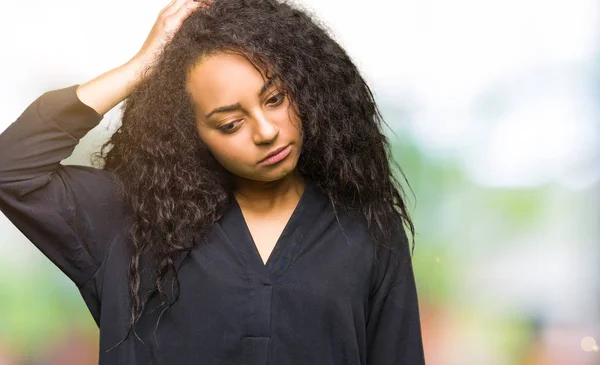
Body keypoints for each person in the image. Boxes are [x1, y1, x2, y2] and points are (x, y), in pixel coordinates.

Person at [0, 0, 425, 363]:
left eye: (275, 99)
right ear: (192, 132)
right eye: (230, 122)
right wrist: (141, 68)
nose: (266, 131)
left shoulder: (370, 231)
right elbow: (10, 168)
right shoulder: (129, 221)